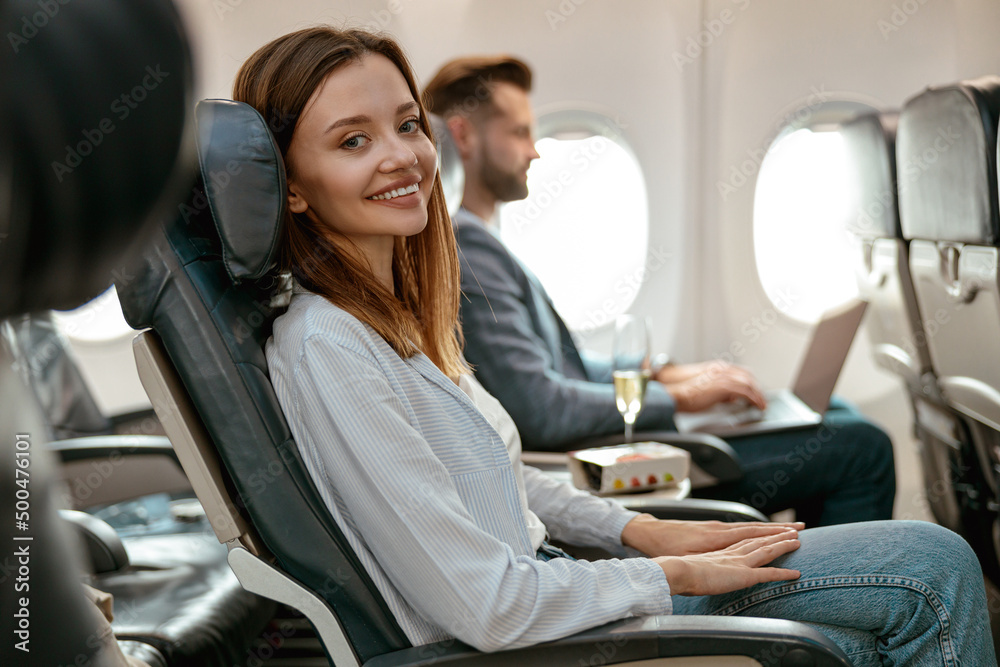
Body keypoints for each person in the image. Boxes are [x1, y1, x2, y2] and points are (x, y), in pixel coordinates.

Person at [237, 25, 995, 664]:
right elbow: (492, 607)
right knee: (935, 567)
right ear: (292, 185)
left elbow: (491, 477)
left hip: (566, 592)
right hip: (538, 640)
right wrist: (669, 570)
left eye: (407, 126)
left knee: (880, 619)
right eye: (352, 140)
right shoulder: (329, 348)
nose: (401, 156)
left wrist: (638, 526)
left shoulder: (387, 316)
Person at [422, 56, 895, 527]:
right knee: (862, 447)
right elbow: (543, 409)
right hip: (595, 467)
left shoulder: (480, 239)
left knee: (834, 413)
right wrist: (684, 400)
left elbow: (573, 367)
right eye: (520, 132)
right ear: (463, 135)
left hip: (609, 443)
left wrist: (673, 374)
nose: (535, 151)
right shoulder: (469, 247)